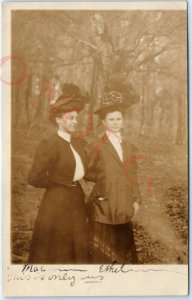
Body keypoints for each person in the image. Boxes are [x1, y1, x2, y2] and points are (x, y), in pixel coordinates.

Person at [28, 83, 89, 264]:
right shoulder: (50, 145)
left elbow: (87, 171)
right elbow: (33, 177)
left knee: (77, 244)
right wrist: (59, 180)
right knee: (56, 248)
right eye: (70, 118)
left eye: (76, 118)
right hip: (56, 203)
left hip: (77, 199)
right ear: (58, 120)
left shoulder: (79, 144)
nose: (74, 122)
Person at [86, 87, 141, 264]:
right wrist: (104, 180)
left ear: (123, 121)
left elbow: (133, 174)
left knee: (122, 250)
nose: (115, 122)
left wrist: (136, 199)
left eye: (118, 119)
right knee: (103, 253)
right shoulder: (98, 146)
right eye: (111, 119)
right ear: (104, 122)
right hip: (104, 206)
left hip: (123, 204)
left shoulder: (129, 147)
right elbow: (87, 171)